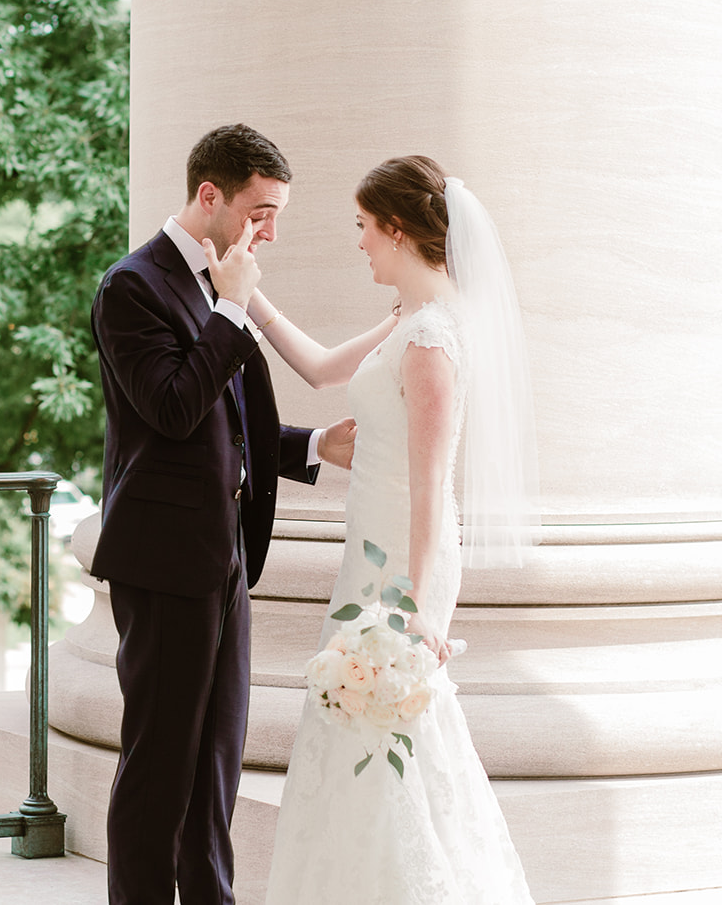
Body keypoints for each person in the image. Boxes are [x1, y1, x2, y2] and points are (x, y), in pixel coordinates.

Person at [256, 155, 537, 904]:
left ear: (397, 228)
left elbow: (430, 488)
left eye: (362, 227)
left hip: (401, 570)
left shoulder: (433, 342)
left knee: (394, 734)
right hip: (368, 559)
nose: (358, 244)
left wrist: (414, 604)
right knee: (350, 728)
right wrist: (250, 300)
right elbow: (317, 369)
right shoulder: (404, 322)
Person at [89, 123, 357, 905]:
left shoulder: (216, 281)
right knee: (158, 770)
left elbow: (224, 420)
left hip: (222, 558)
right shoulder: (132, 286)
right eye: (258, 210)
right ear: (209, 196)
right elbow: (172, 409)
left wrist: (313, 445)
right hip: (163, 564)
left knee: (214, 769)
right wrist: (232, 310)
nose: (268, 231)